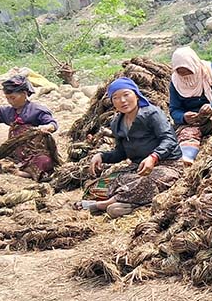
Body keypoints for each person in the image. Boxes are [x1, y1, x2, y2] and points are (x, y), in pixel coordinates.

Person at [75, 77, 183, 218]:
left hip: (167, 165)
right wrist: (101, 156)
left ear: (136, 95)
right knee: (101, 185)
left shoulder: (152, 113)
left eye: (126, 94)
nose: (122, 101)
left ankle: (103, 205)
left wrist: (154, 157)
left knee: (146, 181)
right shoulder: (116, 123)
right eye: (116, 98)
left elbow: (169, 140)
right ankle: (126, 205)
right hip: (139, 167)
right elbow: (121, 152)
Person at [168, 46, 212, 163]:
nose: (185, 75)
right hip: (194, 122)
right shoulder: (175, 82)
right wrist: (184, 117)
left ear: (194, 65)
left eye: (188, 71)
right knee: (187, 135)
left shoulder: (211, 71)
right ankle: (188, 157)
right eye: (180, 72)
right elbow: (174, 109)